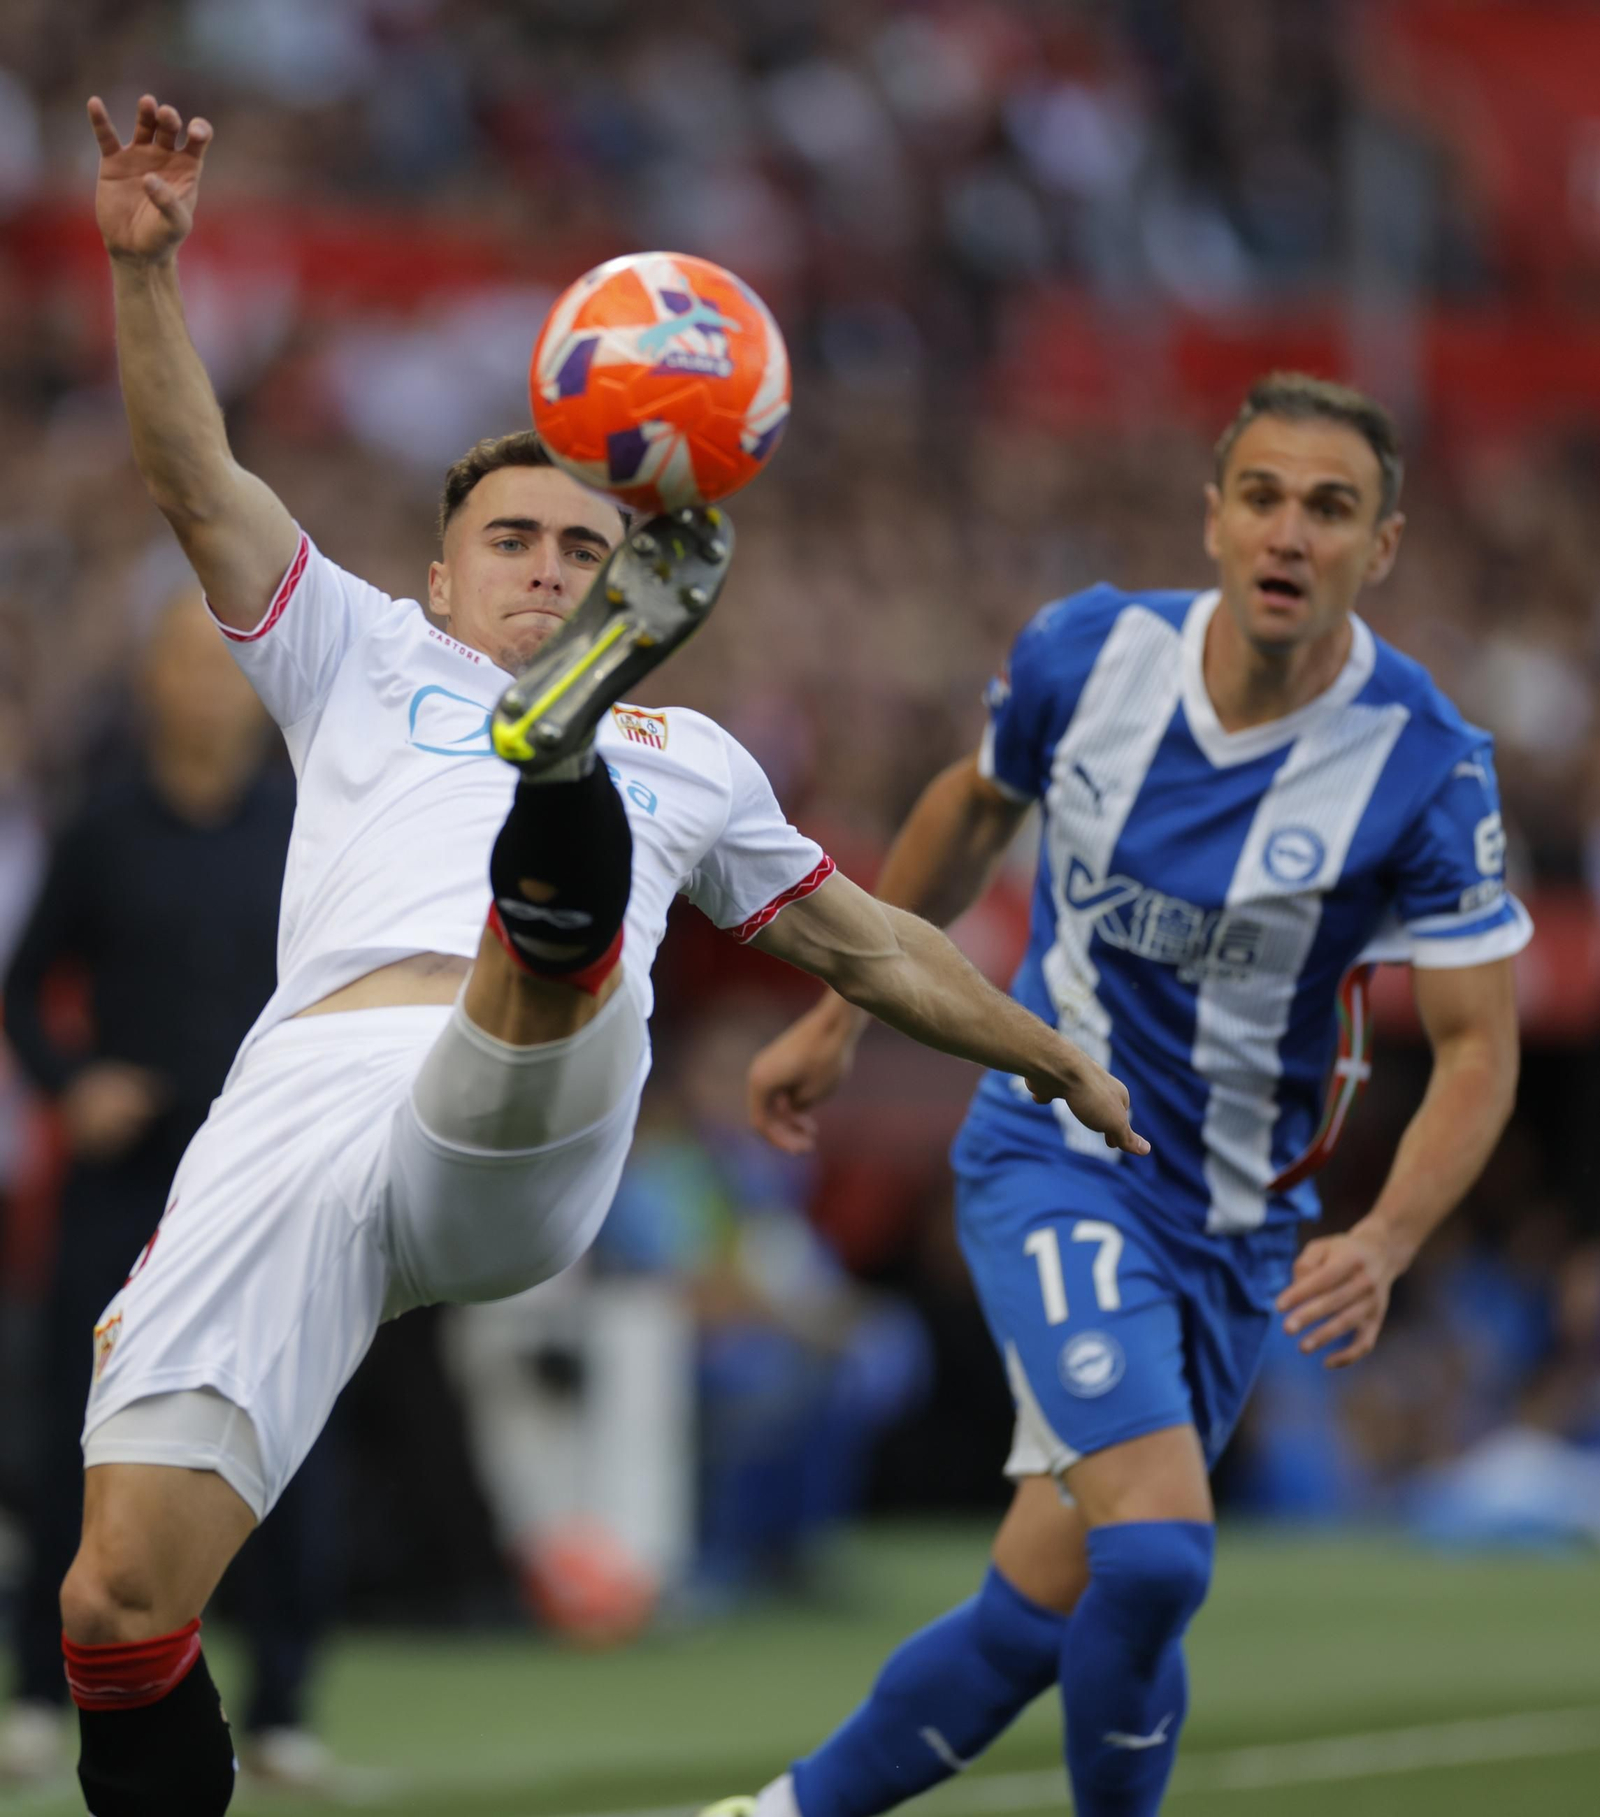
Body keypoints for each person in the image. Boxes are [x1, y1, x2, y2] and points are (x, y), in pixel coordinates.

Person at [62, 93, 1144, 1817]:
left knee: (545, 964)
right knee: (118, 1598)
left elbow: (870, 944)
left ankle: (554, 779)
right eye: (515, 540)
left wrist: (1054, 1051)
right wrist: (145, 268)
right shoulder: (354, 651)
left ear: (623, 579)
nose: (548, 566)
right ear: (441, 574)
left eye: (587, 548)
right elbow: (196, 479)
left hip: (524, 1097)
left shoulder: (692, 756)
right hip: (299, 1099)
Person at [727, 372, 1528, 1817]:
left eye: (1330, 508)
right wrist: (845, 1014)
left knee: (1034, 1615)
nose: (1290, 532)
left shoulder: (1424, 763)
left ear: (1382, 547)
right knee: (1155, 1551)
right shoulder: (1087, 656)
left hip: (1236, 1228)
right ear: (1213, 518)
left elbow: (1478, 1046)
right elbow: (974, 804)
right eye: (1263, 496)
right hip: (1059, 1147)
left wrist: (1388, 1236)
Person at [0, 592, 344, 1792]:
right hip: (128, 1176)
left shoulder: (308, 828)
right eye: (185, 665)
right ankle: (37, 1691)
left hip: (264, 1183)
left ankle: (284, 1702)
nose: (207, 688)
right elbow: (23, 984)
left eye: (224, 667)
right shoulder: (103, 830)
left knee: (286, 1434)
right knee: (76, 1430)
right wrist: (73, 1083)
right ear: (150, 683)